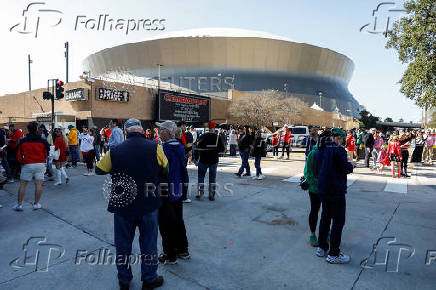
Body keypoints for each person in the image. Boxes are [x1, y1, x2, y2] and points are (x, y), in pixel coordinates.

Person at [96, 118, 167, 290]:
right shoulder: (154, 147)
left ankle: (124, 280)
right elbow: (166, 169)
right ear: (142, 131)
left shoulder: (116, 150)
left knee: (123, 244)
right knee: (149, 243)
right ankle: (149, 279)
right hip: (148, 203)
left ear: (126, 131)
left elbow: (99, 169)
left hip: (123, 204)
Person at [315, 128, 353, 264]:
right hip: (336, 190)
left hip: (323, 189)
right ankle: (334, 253)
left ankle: (321, 247)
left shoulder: (320, 149)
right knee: (338, 221)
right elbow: (346, 168)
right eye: (342, 139)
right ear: (339, 138)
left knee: (325, 217)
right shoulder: (339, 150)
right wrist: (351, 165)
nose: (342, 142)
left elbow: (316, 168)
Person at [156, 120, 190, 264]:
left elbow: (160, 171)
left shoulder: (163, 149)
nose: (158, 132)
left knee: (166, 224)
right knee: (178, 220)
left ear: (166, 132)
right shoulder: (180, 147)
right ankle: (182, 249)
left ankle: (169, 255)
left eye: (160, 130)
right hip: (178, 188)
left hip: (166, 190)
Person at [13, 121, 49, 211]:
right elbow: (46, 153)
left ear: (28, 129)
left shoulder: (22, 140)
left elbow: (18, 154)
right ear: (37, 129)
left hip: (27, 164)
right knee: (39, 184)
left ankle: (19, 205)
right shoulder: (43, 141)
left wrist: (22, 162)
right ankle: (36, 204)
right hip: (40, 164)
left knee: (23, 185)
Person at [304, 131, 330, 247]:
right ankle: (313, 234)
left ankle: (326, 231)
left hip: (326, 188)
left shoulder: (331, 153)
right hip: (315, 189)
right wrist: (317, 182)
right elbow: (307, 172)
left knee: (326, 212)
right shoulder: (313, 153)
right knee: (315, 211)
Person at [195, 121, 225, 200]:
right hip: (213, 160)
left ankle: (200, 193)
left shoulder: (202, 136)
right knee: (212, 178)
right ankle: (211, 195)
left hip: (203, 160)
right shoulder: (218, 137)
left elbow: (197, 147)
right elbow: (222, 149)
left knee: (201, 177)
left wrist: (195, 158)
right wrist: (215, 151)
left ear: (208, 128)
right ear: (214, 128)